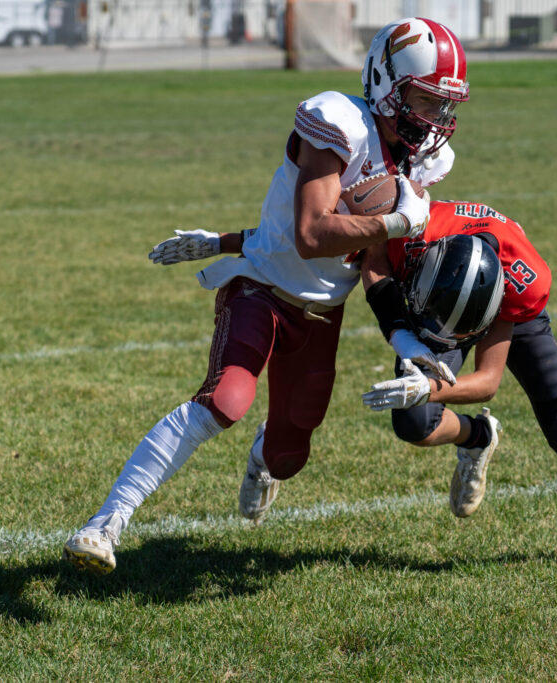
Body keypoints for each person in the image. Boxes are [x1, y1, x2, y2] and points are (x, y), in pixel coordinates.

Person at [64, 18, 471, 574]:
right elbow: (309, 234)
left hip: (322, 313)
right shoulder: (339, 122)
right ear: (385, 82)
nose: (434, 118)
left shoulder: (421, 159)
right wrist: (400, 221)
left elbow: (373, 261)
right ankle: (104, 524)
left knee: (287, 455)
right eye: (423, 98)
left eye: (442, 104)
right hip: (260, 288)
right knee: (226, 399)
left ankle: (261, 458)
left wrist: (403, 339)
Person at [359, 201, 557, 569]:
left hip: (500, 303)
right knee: (413, 424)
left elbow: (487, 382)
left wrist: (427, 388)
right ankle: (476, 436)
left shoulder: (518, 283)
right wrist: (399, 333)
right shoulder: (416, 232)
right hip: (431, 298)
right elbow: (374, 257)